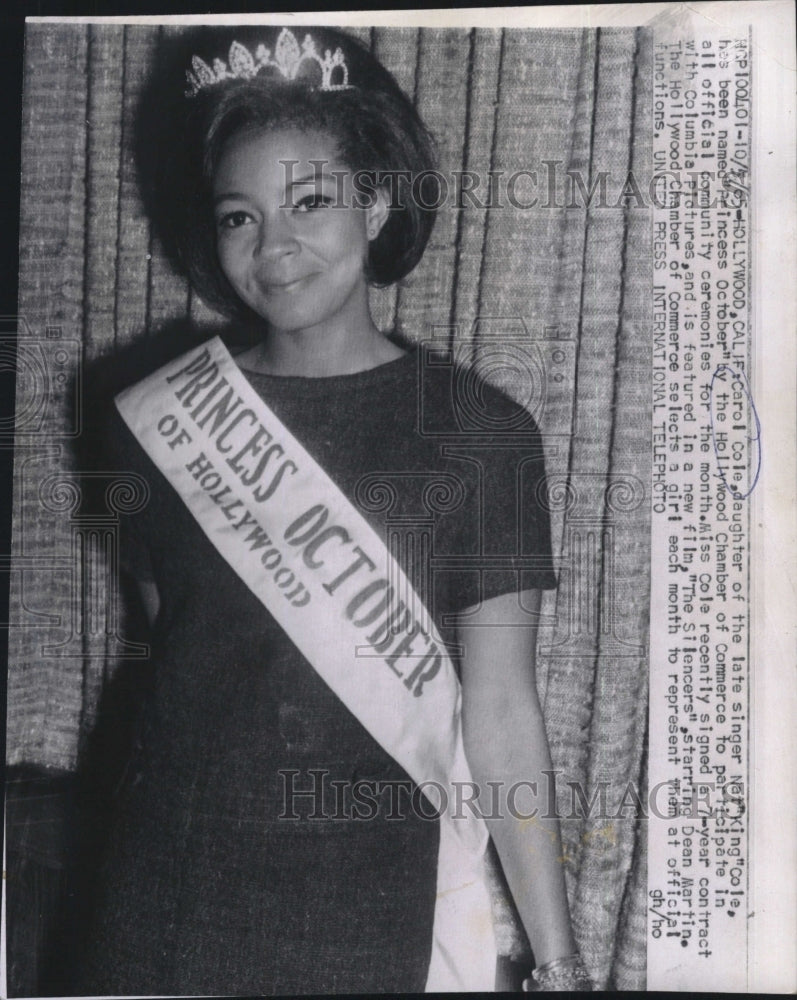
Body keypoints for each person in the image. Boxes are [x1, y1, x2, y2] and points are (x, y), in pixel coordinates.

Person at [74, 25, 593, 994]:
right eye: (238, 216)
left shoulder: (483, 434)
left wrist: (558, 962)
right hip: (163, 892)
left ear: (376, 201)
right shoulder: (151, 419)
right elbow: (172, 658)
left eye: (307, 201)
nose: (273, 248)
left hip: (366, 908)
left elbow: (503, 712)